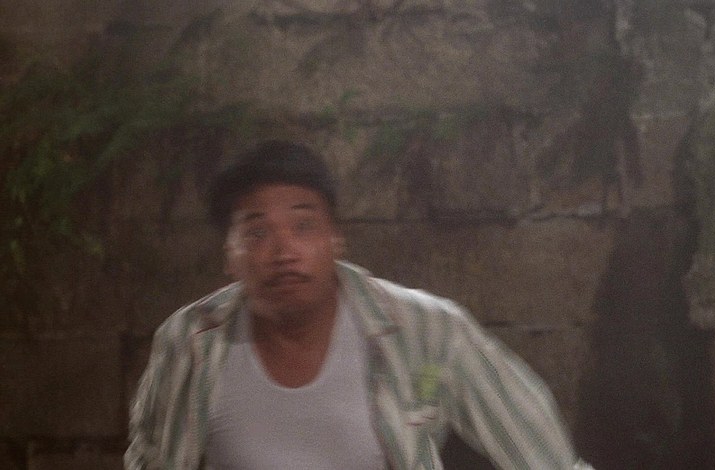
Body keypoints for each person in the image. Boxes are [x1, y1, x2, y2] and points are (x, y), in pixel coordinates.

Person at [125, 140, 592, 469]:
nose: (284, 251)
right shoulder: (190, 341)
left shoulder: (428, 331)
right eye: (257, 232)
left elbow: (546, 459)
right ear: (230, 255)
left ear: (335, 239)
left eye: (303, 226)